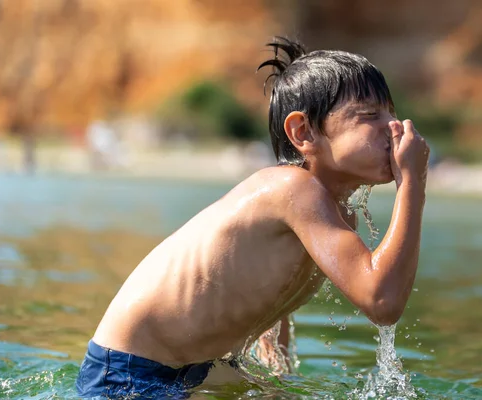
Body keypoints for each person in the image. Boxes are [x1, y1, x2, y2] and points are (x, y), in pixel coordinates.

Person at [76, 37, 430, 399]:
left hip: (201, 370)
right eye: (371, 116)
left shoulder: (328, 210)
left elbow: (272, 285)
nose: (396, 126)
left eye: (391, 112)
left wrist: (276, 369)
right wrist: (412, 184)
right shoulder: (294, 190)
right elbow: (382, 302)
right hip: (128, 373)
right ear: (303, 132)